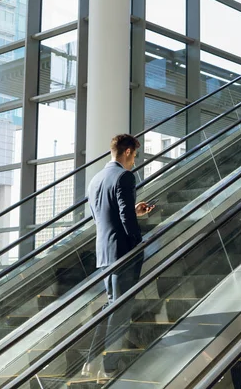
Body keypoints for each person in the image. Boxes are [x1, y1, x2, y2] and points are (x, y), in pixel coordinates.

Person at [82, 134, 154, 380]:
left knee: (111, 305)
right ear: (126, 152)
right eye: (134, 155)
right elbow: (124, 218)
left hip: (104, 253)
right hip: (123, 253)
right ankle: (109, 366)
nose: (134, 161)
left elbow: (102, 216)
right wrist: (138, 243)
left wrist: (134, 212)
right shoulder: (124, 177)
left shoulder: (96, 180)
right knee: (121, 310)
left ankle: (92, 362)